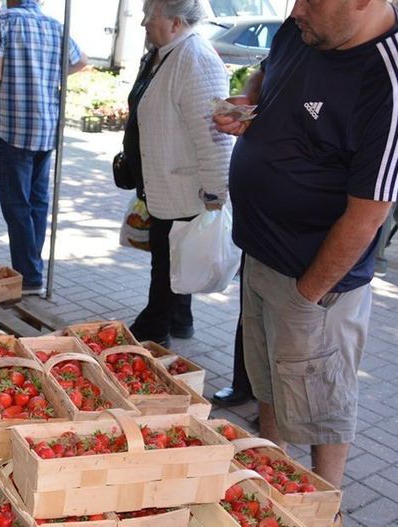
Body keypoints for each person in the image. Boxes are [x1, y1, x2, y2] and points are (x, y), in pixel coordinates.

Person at [214, 0, 398, 490]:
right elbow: (266, 75)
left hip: (315, 282)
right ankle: (271, 489)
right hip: (261, 254)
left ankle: (325, 507)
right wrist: (247, 104)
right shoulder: (302, 30)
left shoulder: (387, 82)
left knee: (322, 412)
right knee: (270, 386)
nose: (295, 9)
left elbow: (369, 214)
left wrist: (306, 296)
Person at [121, 0, 233, 346]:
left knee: (167, 264)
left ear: (176, 22)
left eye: (150, 15)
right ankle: (181, 320)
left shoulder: (195, 58)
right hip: (163, 183)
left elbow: (214, 136)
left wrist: (216, 194)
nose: (143, 22)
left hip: (183, 188)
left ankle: (153, 331)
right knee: (174, 257)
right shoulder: (162, 53)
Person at [0, 0, 87, 295]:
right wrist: (46, 74)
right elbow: (81, 60)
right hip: (46, 127)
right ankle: (32, 270)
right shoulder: (54, 25)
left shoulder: (4, 20)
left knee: (16, 204)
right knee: (37, 201)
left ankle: (29, 275)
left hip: (13, 127)